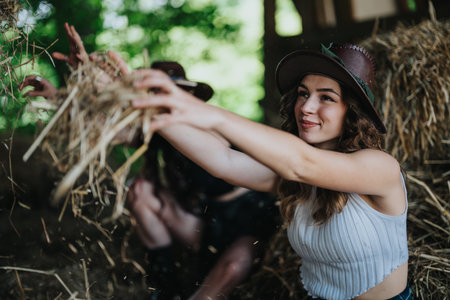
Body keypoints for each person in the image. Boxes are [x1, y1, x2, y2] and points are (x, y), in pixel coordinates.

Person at [129, 43, 410, 299]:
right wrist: (137, 103)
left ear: (352, 112)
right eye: (303, 94)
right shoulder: (292, 175)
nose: (306, 107)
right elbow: (222, 160)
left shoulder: (380, 167)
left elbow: (302, 163)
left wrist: (212, 115)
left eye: (326, 98)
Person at [126, 62, 278, 300]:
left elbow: (224, 156)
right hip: (207, 222)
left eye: (168, 93)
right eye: (155, 95)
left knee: (235, 265)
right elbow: (114, 133)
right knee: (141, 191)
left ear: (189, 96)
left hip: (248, 219)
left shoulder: (212, 127)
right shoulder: (162, 133)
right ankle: (166, 287)